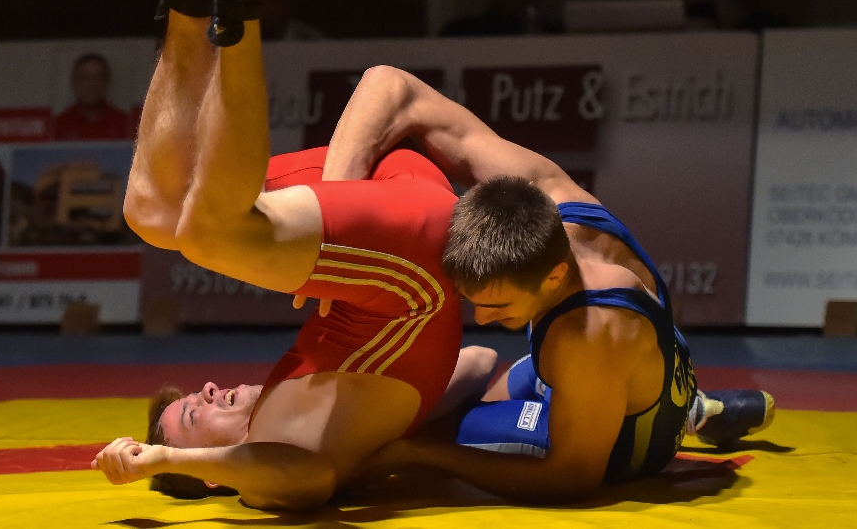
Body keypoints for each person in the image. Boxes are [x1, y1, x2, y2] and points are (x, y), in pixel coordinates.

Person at [92, 0, 465, 511]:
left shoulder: (293, 400)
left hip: (382, 199)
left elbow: (476, 360)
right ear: (216, 477)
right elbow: (307, 481)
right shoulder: (279, 453)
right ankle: (244, 5)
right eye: (193, 415)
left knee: (150, 213)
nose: (209, 389)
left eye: (195, 397)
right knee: (204, 235)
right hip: (416, 268)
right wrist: (166, 459)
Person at [315, 64, 775, 503]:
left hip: (625, 445)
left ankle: (675, 413)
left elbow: (570, 479)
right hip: (637, 363)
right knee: (462, 390)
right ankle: (692, 407)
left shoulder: (585, 335)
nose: (482, 318)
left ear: (554, 275)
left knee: (426, 434)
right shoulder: (551, 193)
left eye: (498, 306)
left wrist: (419, 456)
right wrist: (329, 235)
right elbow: (392, 86)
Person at [53, 53, 130, 140]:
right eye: (86, 77)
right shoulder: (57, 125)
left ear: (107, 81)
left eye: (99, 77)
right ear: (75, 82)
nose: (92, 84)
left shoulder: (126, 123)